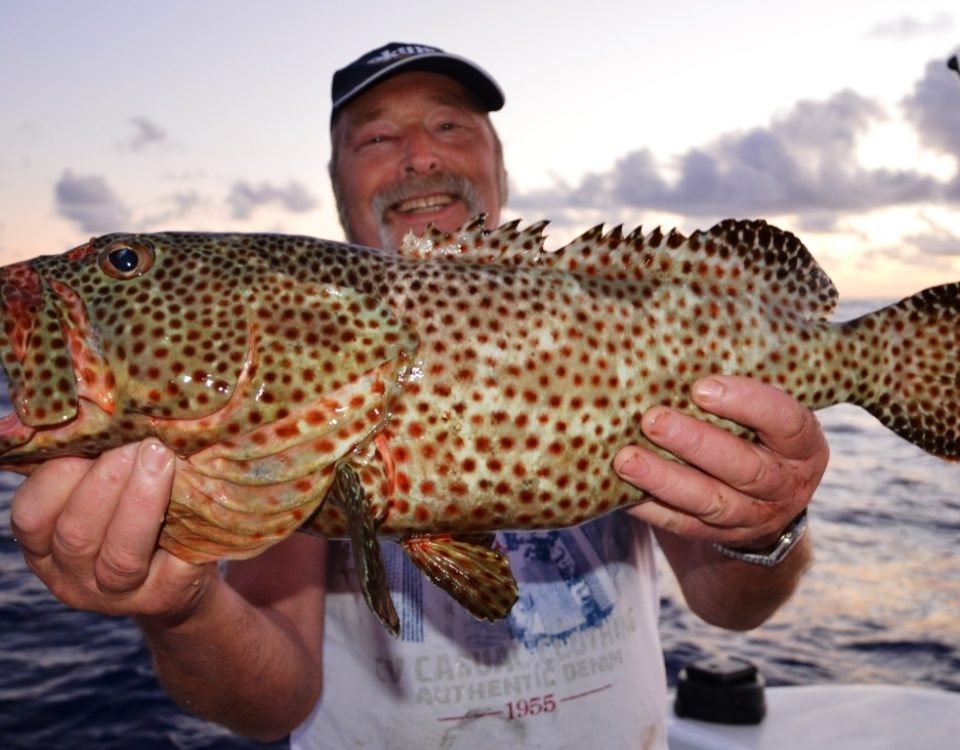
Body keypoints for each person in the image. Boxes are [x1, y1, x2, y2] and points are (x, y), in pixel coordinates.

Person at [10, 43, 829, 748]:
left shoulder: (619, 316)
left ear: (498, 163)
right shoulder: (274, 420)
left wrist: (771, 526)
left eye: (449, 125)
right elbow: (272, 705)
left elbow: (730, 606)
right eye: (377, 136)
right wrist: (180, 608)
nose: (418, 155)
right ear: (338, 186)